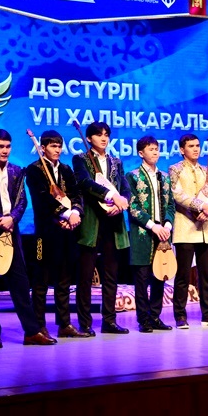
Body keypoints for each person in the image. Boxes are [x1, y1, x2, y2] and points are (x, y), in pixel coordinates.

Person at [0, 129, 56, 347]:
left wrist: (12, 219)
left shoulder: (17, 170)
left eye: (8, 146)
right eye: (0, 146)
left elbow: (22, 201)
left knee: (20, 283)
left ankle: (31, 332)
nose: (5, 150)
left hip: (11, 231)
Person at [25, 130, 89, 338]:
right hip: (45, 233)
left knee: (64, 280)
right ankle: (39, 326)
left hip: (66, 233)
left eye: (59, 146)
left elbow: (76, 194)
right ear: (43, 148)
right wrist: (65, 214)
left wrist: (76, 212)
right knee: (41, 281)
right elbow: (42, 199)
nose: (57, 150)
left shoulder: (66, 169)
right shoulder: (34, 170)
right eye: (53, 146)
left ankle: (64, 324)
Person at [72, 121, 133, 335]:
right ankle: (85, 322)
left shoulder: (116, 161)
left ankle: (109, 321)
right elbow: (85, 183)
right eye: (99, 134)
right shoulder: (80, 159)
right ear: (89, 138)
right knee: (85, 275)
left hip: (113, 222)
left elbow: (125, 188)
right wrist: (111, 196)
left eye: (106, 134)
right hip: (91, 222)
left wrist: (122, 202)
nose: (104, 138)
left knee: (111, 275)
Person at [169, 133, 208, 328]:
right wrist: (200, 206)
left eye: (197, 146)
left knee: (206, 276)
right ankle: (180, 315)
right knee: (183, 275)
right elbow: (177, 194)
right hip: (185, 227)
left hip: (206, 229)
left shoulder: (205, 170)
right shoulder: (175, 169)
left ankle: (207, 314)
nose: (195, 149)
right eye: (191, 146)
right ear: (182, 149)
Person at [126, 135, 176, 333]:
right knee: (142, 278)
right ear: (141, 153)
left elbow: (170, 204)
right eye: (150, 149)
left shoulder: (164, 177)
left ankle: (155, 316)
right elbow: (132, 206)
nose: (155, 152)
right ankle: (144, 319)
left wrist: (167, 225)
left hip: (163, 234)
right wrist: (153, 225)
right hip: (143, 234)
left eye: (156, 149)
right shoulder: (132, 176)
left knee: (160, 276)